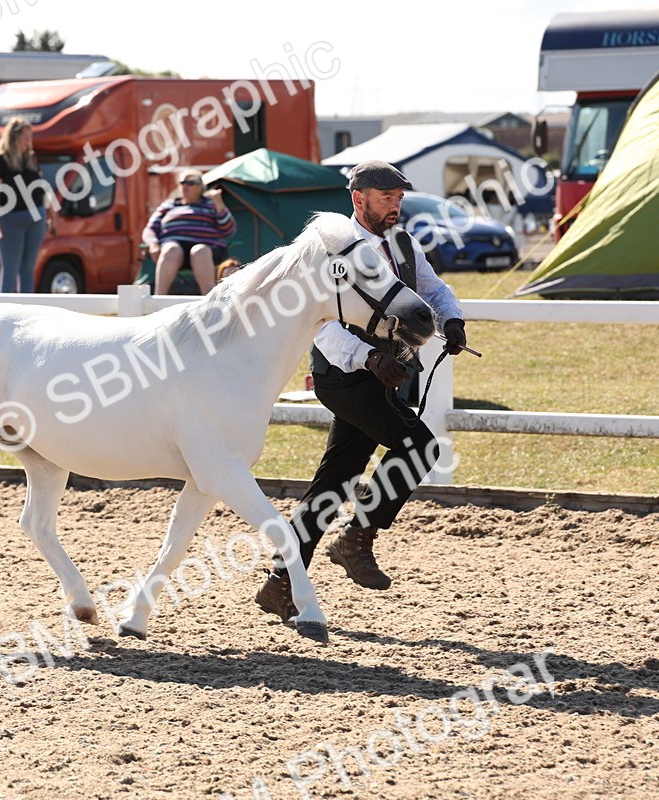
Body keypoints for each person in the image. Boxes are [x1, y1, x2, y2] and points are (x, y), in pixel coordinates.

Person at [255, 160, 470, 623]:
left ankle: (280, 583)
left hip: (386, 375)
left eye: (399, 198)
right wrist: (368, 357)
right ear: (359, 199)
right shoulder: (329, 252)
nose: (396, 206)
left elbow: (433, 289)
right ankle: (356, 540)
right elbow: (320, 325)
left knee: (334, 482)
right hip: (344, 374)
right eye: (387, 198)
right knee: (418, 447)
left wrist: (450, 318)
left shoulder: (404, 245)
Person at [143, 169, 235, 295]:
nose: (185, 186)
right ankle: (159, 298)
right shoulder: (168, 205)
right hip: (174, 250)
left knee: (199, 251)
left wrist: (219, 204)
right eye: (182, 182)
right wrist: (153, 244)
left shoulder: (212, 203)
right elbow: (150, 229)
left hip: (207, 250)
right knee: (170, 249)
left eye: (190, 182)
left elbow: (229, 229)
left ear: (200, 187)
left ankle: (209, 301)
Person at [0, 117, 47, 293]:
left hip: (36, 218)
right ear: (14, 138)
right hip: (10, 220)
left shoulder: (31, 159)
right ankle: (5, 313)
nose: (29, 141)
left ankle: (27, 312)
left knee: (28, 269)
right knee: (10, 269)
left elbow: (41, 189)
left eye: (30, 136)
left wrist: (50, 215)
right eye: (25, 136)